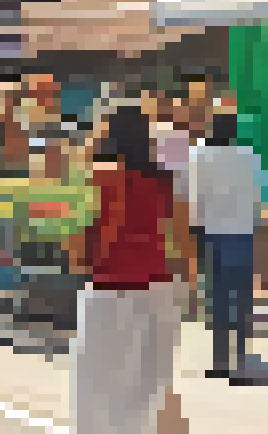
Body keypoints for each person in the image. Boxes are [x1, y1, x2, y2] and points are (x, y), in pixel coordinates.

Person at [70, 103, 197, 434]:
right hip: (158, 288)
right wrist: (188, 280)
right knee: (147, 390)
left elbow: (82, 229)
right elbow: (181, 235)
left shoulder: (100, 174)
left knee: (96, 391)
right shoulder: (164, 179)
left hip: (109, 287)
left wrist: (80, 259)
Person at [186, 110, 267, 378]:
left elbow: (195, 197)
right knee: (242, 298)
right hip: (244, 232)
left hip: (213, 234)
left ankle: (220, 360)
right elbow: (259, 197)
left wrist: (194, 233)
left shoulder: (199, 154)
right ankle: (240, 357)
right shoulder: (249, 156)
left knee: (218, 298)